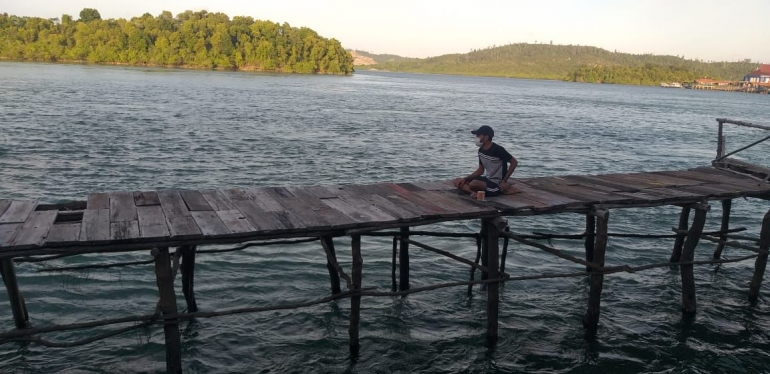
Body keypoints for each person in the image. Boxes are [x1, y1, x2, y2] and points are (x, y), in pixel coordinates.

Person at [453, 125, 519, 198]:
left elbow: (514, 162)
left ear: (486, 137)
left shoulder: (498, 149)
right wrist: (465, 179)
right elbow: (480, 170)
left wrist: (504, 181)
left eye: (478, 136)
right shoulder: (481, 150)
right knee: (457, 181)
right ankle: (474, 192)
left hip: (495, 183)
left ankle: (479, 191)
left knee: (474, 184)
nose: (476, 138)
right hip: (486, 179)